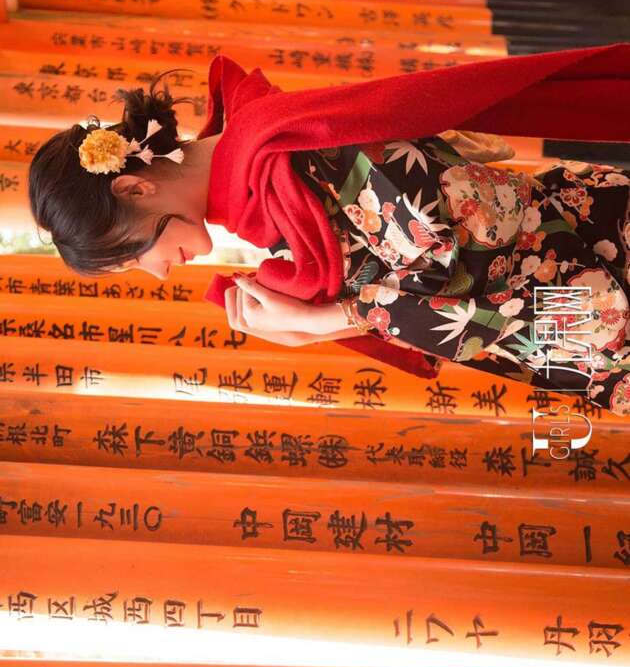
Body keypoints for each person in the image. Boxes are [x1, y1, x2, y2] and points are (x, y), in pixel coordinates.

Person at [28, 57, 630, 415]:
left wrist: (329, 319)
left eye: (134, 255)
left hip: (594, 267)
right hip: (572, 308)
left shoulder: (297, 153)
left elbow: (475, 259)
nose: (158, 270)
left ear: (135, 188)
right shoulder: (268, 188)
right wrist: (329, 320)